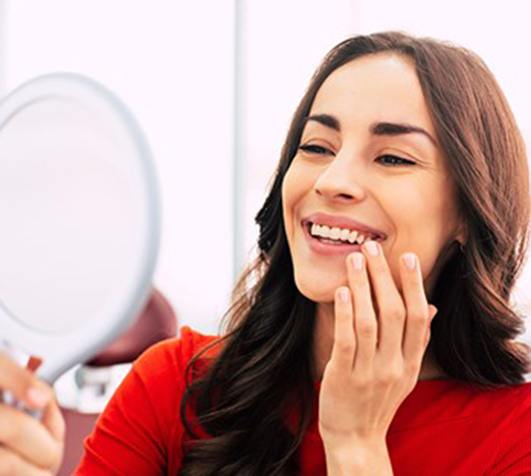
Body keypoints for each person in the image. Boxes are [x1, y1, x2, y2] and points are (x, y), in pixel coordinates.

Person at [0, 30, 530, 475]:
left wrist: (356, 446)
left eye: (392, 157)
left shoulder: (517, 437)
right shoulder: (175, 386)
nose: (333, 179)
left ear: (467, 212)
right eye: (316, 147)